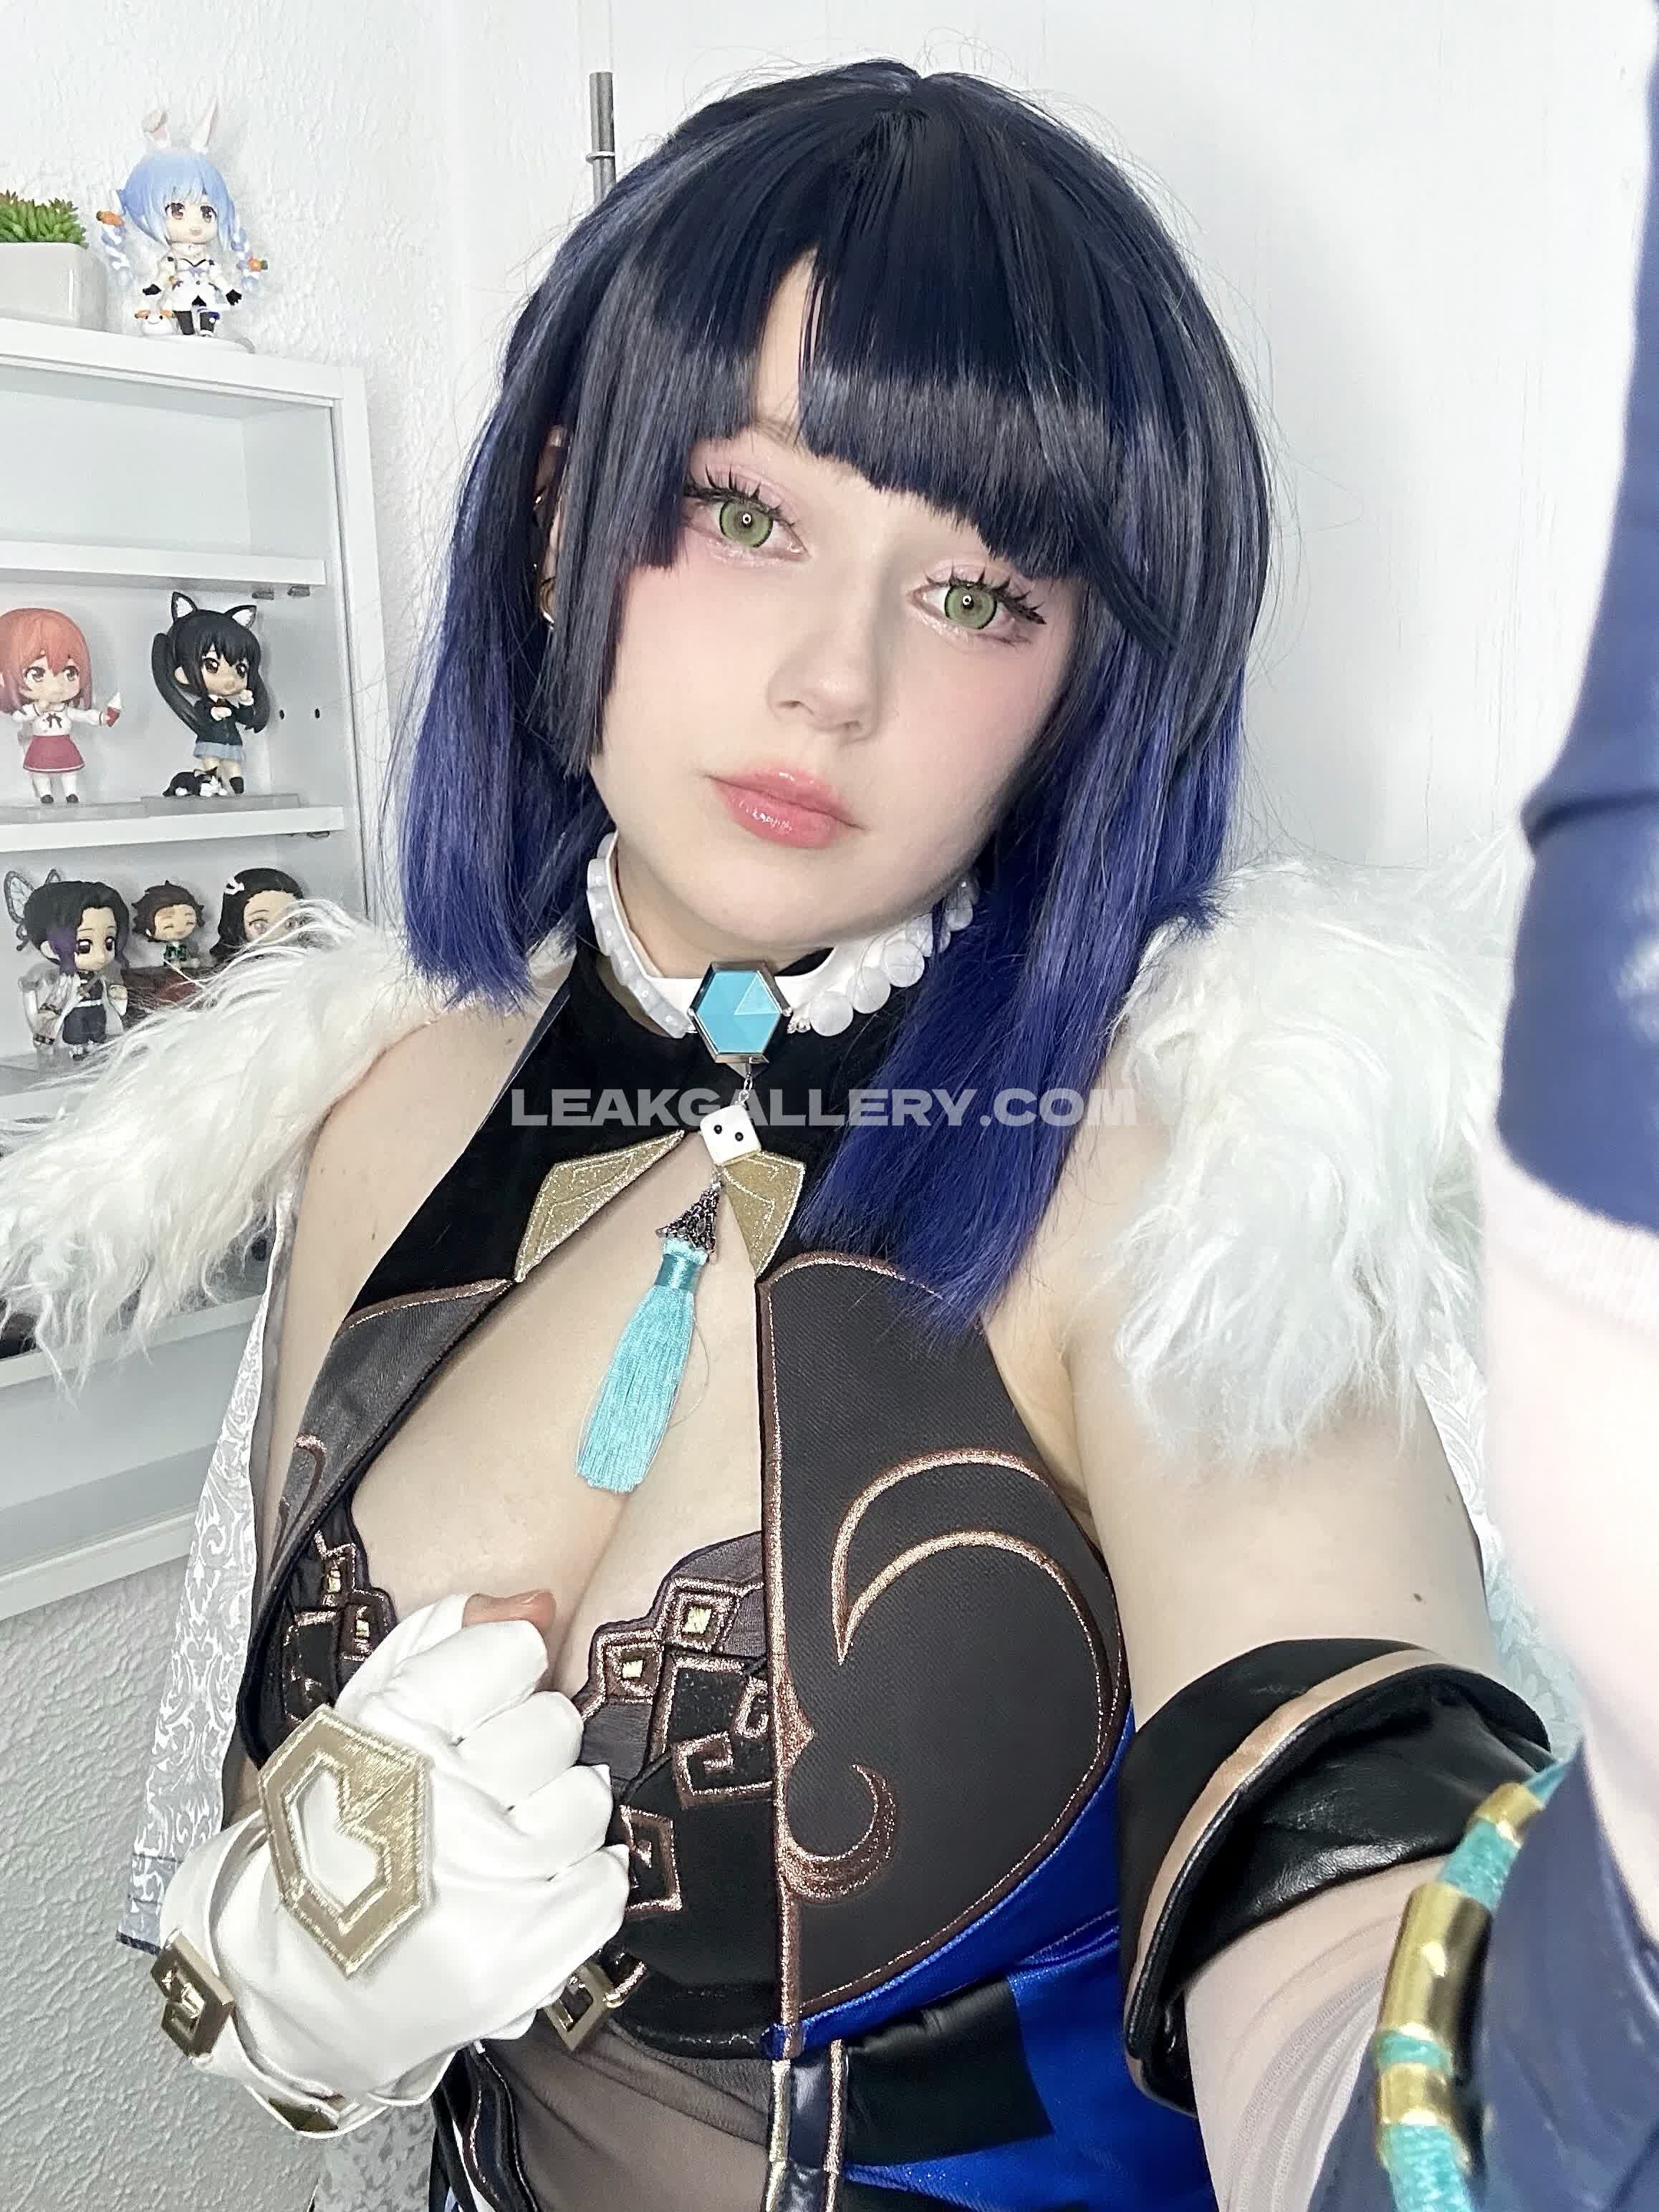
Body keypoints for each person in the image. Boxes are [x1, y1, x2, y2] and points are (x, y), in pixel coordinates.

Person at [0, 51, 1650, 2212]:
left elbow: (1351, 1937)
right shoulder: (380, 1096)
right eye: (746, 512)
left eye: (980, 593)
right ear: (557, 510)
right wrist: (281, 1987)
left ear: (1083, 679)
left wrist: (1557, 2028)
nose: (834, 678)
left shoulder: (1187, 1179)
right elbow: (246, 1869)